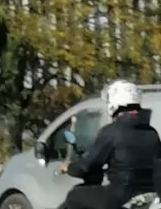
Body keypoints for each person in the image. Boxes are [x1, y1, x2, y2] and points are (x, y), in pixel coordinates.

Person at [63, 80, 161, 209]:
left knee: (74, 196)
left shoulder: (111, 132)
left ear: (114, 104)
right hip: (150, 197)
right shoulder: (152, 133)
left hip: (120, 196)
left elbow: (87, 165)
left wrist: (69, 167)